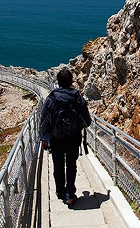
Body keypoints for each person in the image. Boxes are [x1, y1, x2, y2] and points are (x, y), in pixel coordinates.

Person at [40, 69, 91, 205]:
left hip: (56, 139)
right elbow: (88, 122)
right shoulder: (78, 99)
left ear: (58, 82)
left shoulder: (51, 99)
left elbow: (44, 121)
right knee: (71, 165)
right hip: (74, 139)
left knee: (58, 165)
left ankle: (60, 191)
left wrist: (44, 138)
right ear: (71, 82)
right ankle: (70, 194)